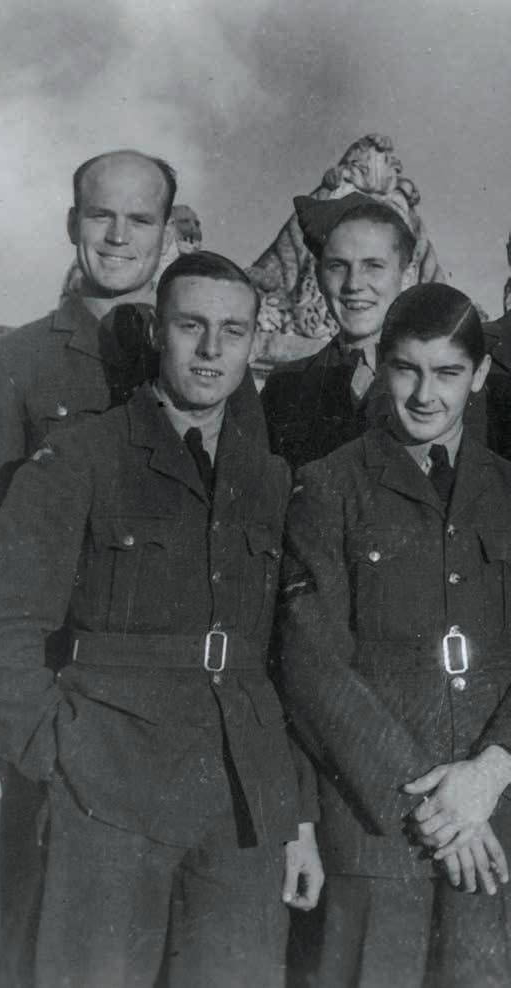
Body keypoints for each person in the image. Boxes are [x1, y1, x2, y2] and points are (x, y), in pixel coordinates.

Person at [0, 251, 323, 988]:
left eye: (233, 331)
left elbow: (291, 662)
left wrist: (298, 814)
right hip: (110, 790)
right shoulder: (83, 456)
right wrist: (61, 753)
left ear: (254, 342)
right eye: (191, 326)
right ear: (158, 332)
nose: (212, 349)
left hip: (242, 802)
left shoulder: (270, 479)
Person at [279, 282, 511, 987]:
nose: (425, 394)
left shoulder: (508, 489)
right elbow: (312, 665)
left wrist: (492, 771)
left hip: (494, 825)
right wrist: (432, 807)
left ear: (479, 374)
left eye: (448, 372)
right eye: (407, 369)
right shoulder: (329, 486)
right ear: (382, 365)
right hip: (377, 829)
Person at [260, 192, 487, 470]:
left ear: (407, 276)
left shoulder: (460, 383)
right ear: (319, 278)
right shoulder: (285, 388)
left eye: (373, 266)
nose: (354, 284)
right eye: (338, 266)